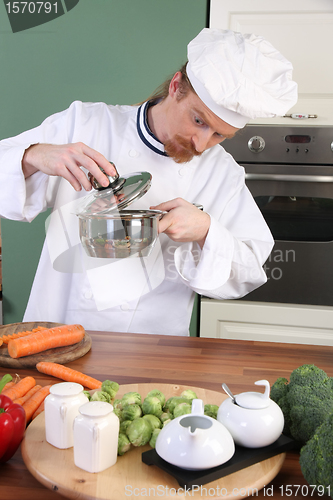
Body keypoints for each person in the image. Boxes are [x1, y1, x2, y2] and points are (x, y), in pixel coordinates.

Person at [0, 29, 297, 335]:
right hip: (57, 333)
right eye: (198, 120)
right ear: (176, 86)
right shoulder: (86, 124)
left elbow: (248, 270)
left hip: (154, 347)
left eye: (219, 135)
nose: (201, 142)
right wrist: (32, 156)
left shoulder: (222, 173)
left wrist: (206, 231)